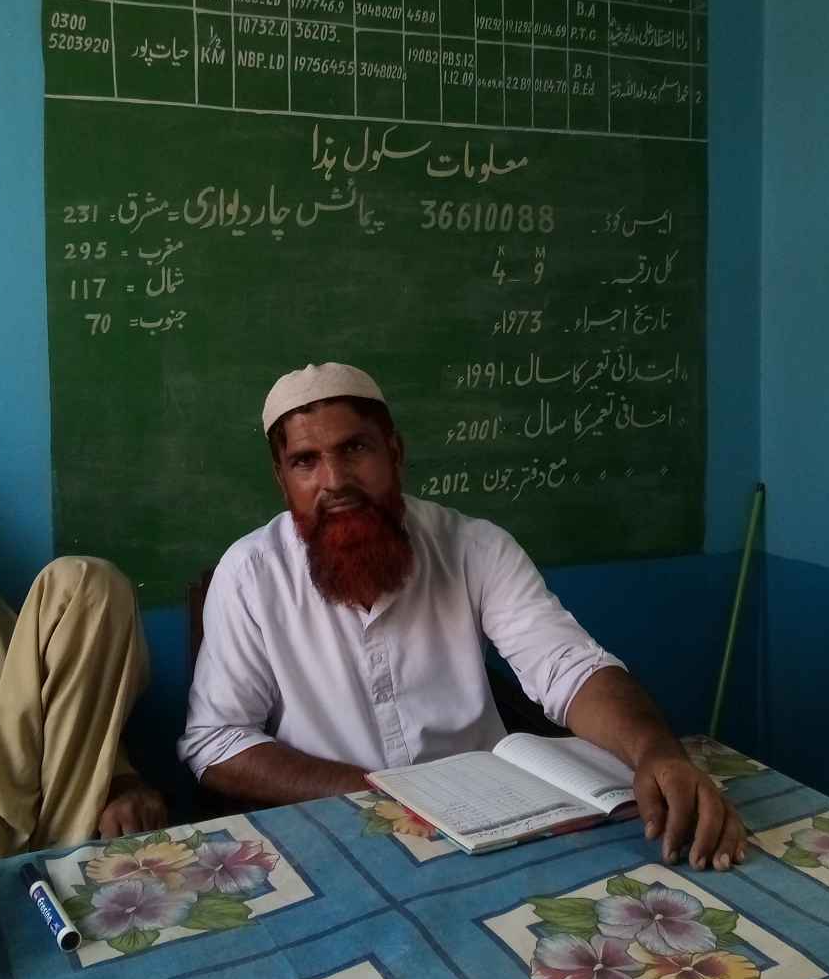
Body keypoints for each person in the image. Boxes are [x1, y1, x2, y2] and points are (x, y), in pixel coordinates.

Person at [179, 363, 745, 872]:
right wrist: (381, 793)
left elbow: (568, 668)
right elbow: (217, 743)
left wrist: (656, 751)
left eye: (355, 449)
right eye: (306, 461)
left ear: (395, 452)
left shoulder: (475, 548)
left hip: (496, 830)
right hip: (337, 834)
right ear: (281, 479)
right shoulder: (250, 574)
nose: (335, 481)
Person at [0, 541, 166, 864]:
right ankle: (55, 860)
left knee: (89, 583)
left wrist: (118, 780)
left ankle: (58, 852)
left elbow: (32, 693)